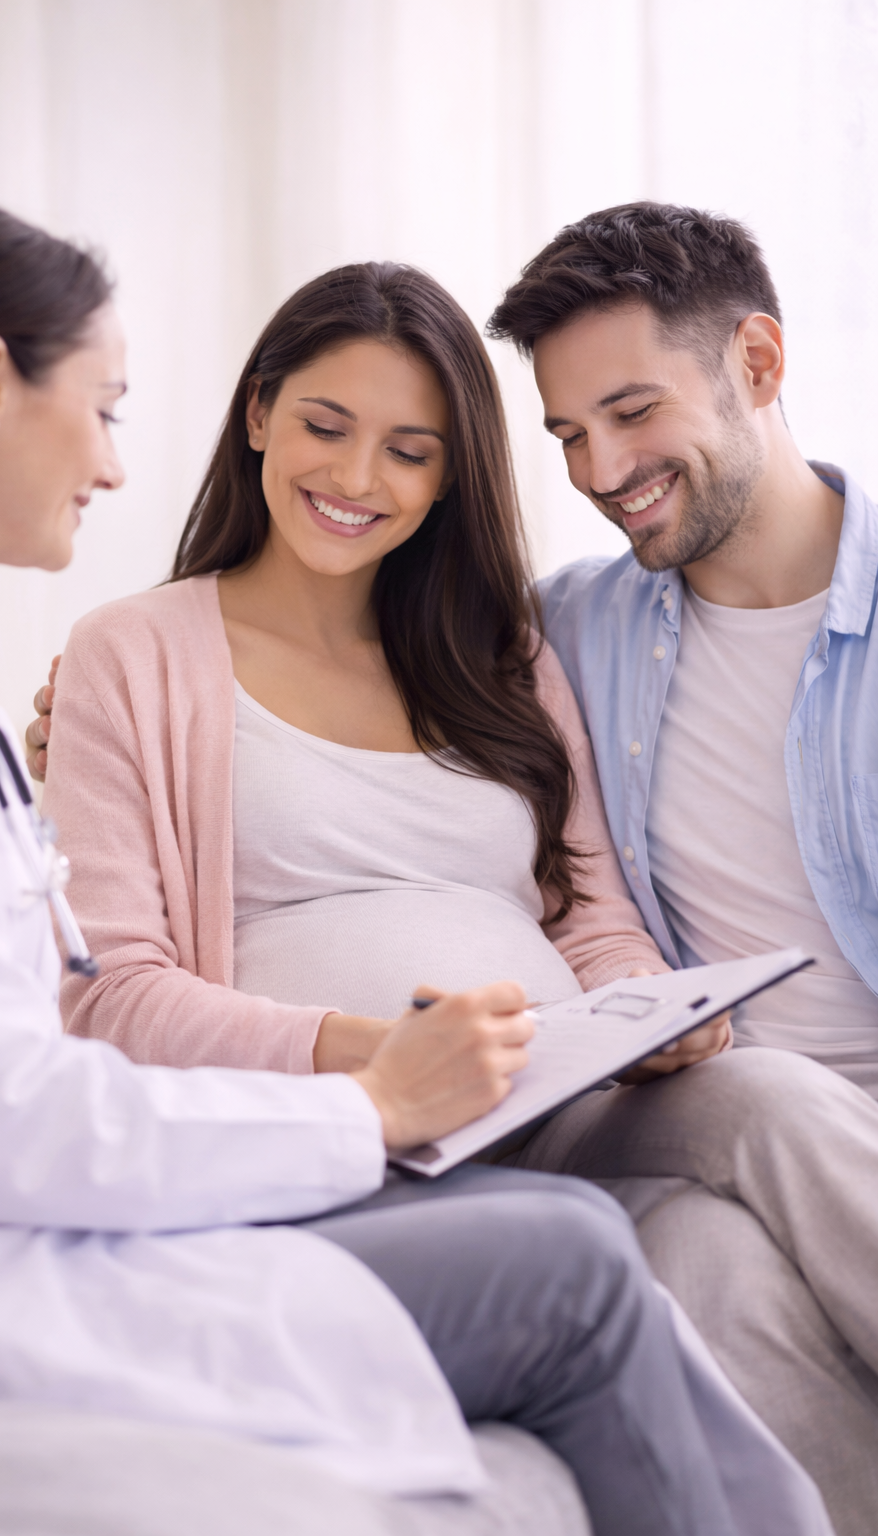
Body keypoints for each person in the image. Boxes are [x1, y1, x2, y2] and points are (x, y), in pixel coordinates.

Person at [0, 197, 828, 1536]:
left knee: (766, 1097)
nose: (361, 475)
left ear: (449, 477)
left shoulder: (502, 649)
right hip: (364, 1125)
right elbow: (95, 1006)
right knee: (603, 1255)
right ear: (260, 414)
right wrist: (374, 1074)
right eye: (326, 426)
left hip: (552, 1086)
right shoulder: (116, 656)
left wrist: (647, 1010)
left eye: (411, 451)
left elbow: (589, 907)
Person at [481, 202, 878, 1534]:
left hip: (828, 1157)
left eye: (633, 412)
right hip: (706, 1115)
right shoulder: (563, 632)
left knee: (702, 1266)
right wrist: (110, 706)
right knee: (703, 1215)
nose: (601, 469)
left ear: (757, 363)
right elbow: (343, 675)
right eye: (568, 434)